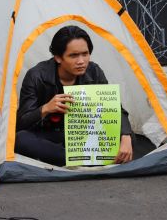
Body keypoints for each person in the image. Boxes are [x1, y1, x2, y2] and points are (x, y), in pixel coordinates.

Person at [15, 25, 133, 167]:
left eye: (85, 54)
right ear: (58, 57)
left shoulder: (94, 71)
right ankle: (86, 159)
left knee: (126, 139)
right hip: (50, 135)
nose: (81, 61)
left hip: (84, 135)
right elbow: (21, 122)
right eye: (73, 55)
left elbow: (115, 109)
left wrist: (126, 137)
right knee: (20, 139)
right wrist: (46, 108)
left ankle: (70, 159)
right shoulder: (36, 75)